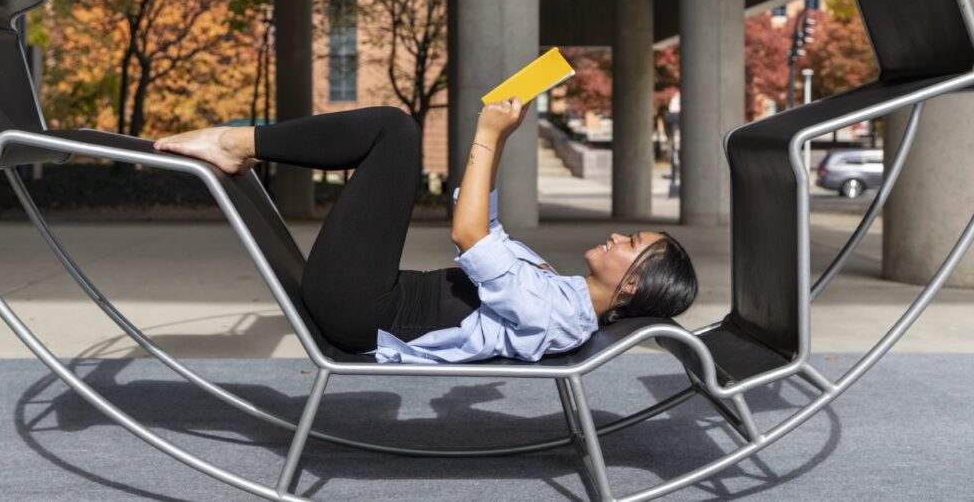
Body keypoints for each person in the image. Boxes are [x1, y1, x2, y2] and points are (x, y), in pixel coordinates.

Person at [152, 99, 697, 364]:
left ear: (630, 286)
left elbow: (469, 237)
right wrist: (500, 138)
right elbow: (486, 225)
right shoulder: (562, 294)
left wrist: (485, 133)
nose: (619, 237)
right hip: (371, 301)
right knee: (394, 131)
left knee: (395, 130)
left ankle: (237, 142)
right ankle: (241, 144)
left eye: (632, 245)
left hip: (362, 312)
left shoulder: (556, 313)